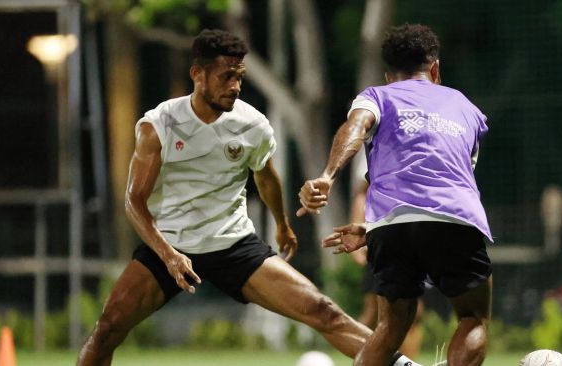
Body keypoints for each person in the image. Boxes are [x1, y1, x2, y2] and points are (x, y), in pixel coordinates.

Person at [77, 29, 421, 366]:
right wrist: (168, 255)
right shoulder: (160, 125)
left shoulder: (252, 124)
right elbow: (134, 202)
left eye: (239, 77)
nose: (235, 86)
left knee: (323, 310)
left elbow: (266, 175)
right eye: (226, 77)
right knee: (107, 328)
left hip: (233, 245)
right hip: (170, 245)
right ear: (198, 74)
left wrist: (282, 225)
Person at [298, 23, 493, 366]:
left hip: (391, 224)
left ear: (389, 76)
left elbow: (356, 126)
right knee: (472, 317)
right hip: (456, 217)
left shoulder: (378, 96)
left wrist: (328, 175)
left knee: (389, 328)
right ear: (435, 69)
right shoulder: (465, 106)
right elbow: (452, 170)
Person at [348, 156, 425, 360]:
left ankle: (408, 363)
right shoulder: (377, 134)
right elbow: (363, 191)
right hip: (383, 231)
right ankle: (362, 359)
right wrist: (357, 227)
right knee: (375, 311)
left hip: (418, 229)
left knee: (413, 311)